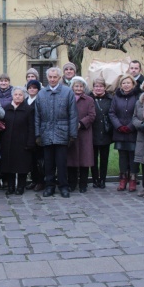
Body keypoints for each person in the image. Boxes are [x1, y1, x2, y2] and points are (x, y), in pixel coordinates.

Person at [35, 67, 78, 198]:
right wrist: (38, 134)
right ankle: (49, 186)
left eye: (55, 77)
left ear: (59, 78)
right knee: (48, 163)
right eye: (50, 77)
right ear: (47, 78)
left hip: (62, 132)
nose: (52, 79)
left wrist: (72, 134)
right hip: (46, 133)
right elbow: (37, 116)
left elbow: (73, 115)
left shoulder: (67, 92)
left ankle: (64, 186)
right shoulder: (41, 93)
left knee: (61, 163)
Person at [0, 87, 36, 195]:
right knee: (9, 165)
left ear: (24, 96)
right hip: (8, 142)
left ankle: (21, 186)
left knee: (22, 166)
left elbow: (31, 127)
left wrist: (30, 142)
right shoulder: (6, 108)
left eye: (20, 95)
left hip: (22, 142)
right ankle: (10, 186)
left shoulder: (28, 109)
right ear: (12, 95)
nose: (18, 96)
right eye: (15, 94)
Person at [109, 74, 139, 192]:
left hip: (133, 131)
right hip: (120, 132)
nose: (126, 85)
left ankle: (133, 179)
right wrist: (119, 126)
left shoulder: (137, 97)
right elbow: (112, 113)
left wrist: (131, 126)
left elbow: (139, 113)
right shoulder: (116, 97)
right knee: (122, 157)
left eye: (128, 83)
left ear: (133, 84)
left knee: (133, 157)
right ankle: (122, 179)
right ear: (121, 85)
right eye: (124, 83)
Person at [66, 77, 96, 193]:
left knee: (84, 160)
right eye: (76, 86)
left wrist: (81, 123)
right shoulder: (68, 98)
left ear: (84, 88)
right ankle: (72, 183)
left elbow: (92, 115)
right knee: (71, 160)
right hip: (70, 133)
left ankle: (83, 184)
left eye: (81, 86)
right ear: (72, 87)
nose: (78, 88)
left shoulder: (89, 100)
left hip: (84, 133)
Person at [90, 77, 113, 189]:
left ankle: (102, 179)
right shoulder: (89, 99)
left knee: (104, 158)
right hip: (92, 133)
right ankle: (95, 179)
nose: (98, 88)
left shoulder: (110, 99)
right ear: (93, 87)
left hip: (105, 133)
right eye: (96, 86)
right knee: (93, 159)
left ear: (104, 87)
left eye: (100, 86)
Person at [25, 79, 45, 192]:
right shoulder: (25, 100)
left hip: (38, 133)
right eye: (30, 88)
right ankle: (33, 179)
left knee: (39, 160)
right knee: (31, 160)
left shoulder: (40, 100)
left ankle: (41, 181)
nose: (32, 90)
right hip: (27, 134)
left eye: (34, 88)